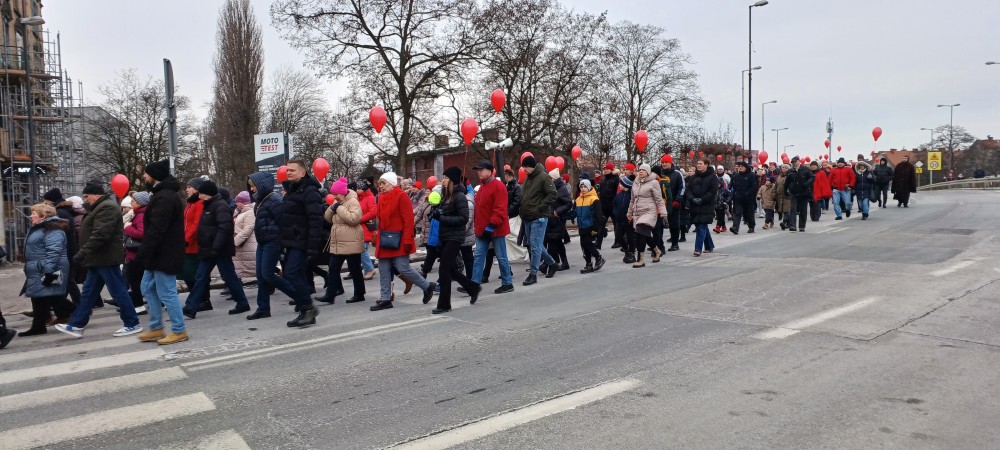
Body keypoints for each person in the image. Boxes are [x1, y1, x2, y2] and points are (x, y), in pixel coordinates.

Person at [55, 181, 142, 339]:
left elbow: (101, 234)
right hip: (98, 258)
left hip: (105, 257)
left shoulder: (107, 207)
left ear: (96, 195)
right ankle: (76, 324)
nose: (85, 199)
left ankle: (132, 322)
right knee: (89, 293)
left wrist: (83, 252)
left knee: (118, 291)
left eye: (87, 196)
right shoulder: (99, 206)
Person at [134, 160, 189, 345]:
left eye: (146, 173)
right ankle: (156, 327)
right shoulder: (161, 194)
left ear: (154, 176)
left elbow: (157, 229)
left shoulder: (164, 197)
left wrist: (143, 252)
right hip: (158, 253)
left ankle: (179, 330)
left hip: (165, 253)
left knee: (167, 292)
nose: (144, 176)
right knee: (148, 288)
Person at [181, 180, 252, 319]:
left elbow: (224, 229)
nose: (200, 196)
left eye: (202, 193)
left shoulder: (220, 206)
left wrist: (215, 248)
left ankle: (242, 303)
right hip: (209, 250)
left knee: (229, 277)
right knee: (201, 277)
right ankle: (190, 307)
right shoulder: (208, 205)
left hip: (219, 251)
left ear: (208, 193)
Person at [372, 172, 436, 311]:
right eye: (380, 183)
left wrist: (408, 240)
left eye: (384, 183)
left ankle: (427, 286)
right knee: (383, 268)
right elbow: (380, 219)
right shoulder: (381, 197)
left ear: (392, 183)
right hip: (385, 239)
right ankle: (385, 299)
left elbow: (408, 220)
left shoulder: (401, 196)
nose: (381, 186)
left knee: (402, 267)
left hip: (400, 238)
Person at [279, 160, 325, 327]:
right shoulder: (292, 190)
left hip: (302, 241)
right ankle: (306, 310)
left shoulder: (310, 191)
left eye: (292, 170)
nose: (288, 173)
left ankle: (308, 307)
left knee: (291, 274)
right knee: (295, 275)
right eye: (287, 170)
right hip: (291, 241)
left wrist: (312, 246)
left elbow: (316, 220)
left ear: (302, 173)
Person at [246, 172, 298, 320]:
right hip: (262, 242)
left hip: (273, 241)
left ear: (261, 185)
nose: (252, 189)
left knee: (267, 274)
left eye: (253, 186)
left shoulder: (274, 200)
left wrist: (283, 243)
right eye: (250, 187)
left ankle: (300, 297)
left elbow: (284, 222)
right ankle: (263, 308)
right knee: (261, 276)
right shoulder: (261, 201)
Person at [19, 204, 74, 336]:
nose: (31, 216)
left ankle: (80, 311)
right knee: (40, 297)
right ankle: (38, 326)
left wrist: (48, 270)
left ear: (43, 215)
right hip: (39, 267)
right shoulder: (41, 228)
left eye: (34, 213)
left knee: (53, 297)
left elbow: (54, 251)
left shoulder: (52, 229)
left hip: (48, 268)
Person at [431, 167, 481, 314]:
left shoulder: (460, 196)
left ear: (452, 179)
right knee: (451, 270)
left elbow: (463, 218)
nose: (443, 180)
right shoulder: (447, 195)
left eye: (446, 178)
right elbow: (445, 213)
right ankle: (473, 288)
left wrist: (442, 218)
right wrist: (436, 212)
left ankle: (444, 304)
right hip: (445, 236)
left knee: (444, 270)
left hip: (455, 237)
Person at [316, 177, 367, 304]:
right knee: (333, 269)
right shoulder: (337, 202)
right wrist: (332, 208)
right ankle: (330, 295)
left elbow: (354, 219)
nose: (334, 196)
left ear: (343, 193)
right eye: (333, 194)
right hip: (338, 241)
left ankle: (359, 294)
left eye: (336, 194)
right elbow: (327, 218)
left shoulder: (353, 202)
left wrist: (339, 208)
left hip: (351, 241)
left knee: (354, 269)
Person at [518, 156, 558, 285]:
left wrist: (540, 207)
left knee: (535, 246)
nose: (524, 169)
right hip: (527, 216)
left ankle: (533, 274)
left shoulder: (543, 177)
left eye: (526, 167)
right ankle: (552, 263)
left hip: (539, 217)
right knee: (534, 244)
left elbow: (553, 194)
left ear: (532, 166)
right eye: (523, 167)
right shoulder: (527, 179)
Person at [45, 188, 82, 306]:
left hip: (66, 252)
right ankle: (56, 305)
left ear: (52, 201)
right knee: (62, 280)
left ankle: (78, 306)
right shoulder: (64, 211)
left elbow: (58, 235)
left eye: (46, 201)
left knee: (67, 280)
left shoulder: (60, 213)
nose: (45, 204)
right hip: (68, 251)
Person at [628, 164, 667, 267]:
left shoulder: (654, 183)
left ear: (648, 172)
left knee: (641, 231)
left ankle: (641, 259)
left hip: (649, 211)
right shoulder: (635, 182)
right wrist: (629, 212)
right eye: (639, 170)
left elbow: (659, 199)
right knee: (642, 233)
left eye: (643, 170)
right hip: (638, 212)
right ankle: (657, 250)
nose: (641, 171)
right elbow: (632, 199)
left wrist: (664, 214)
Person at [123, 192, 150, 313]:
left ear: (140, 203)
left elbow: (142, 233)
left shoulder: (140, 215)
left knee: (134, 281)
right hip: (137, 253)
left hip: (136, 253)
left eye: (133, 201)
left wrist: (128, 228)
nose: (131, 203)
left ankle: (138, 306)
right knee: (136, 280)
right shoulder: (138, 213)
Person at [686, 159, 719, 257]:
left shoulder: (713, 177)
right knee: (701, 225)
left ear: (706, 165)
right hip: (695, 205)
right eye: (698, 164)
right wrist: (692, 198)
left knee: (701, 225)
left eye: (700, 164)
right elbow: (688, 189)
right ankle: (709, 246)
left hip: (706, 205)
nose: (698, 165)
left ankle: (698, 249)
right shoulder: (693, 177)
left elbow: (713, 191)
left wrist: (702, 199)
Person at [542, 168, 572, 272]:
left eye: (550, 178)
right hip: (551, 219)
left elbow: (568, 203)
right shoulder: (551, 188)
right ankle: (563, 262)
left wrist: (557, 211)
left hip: (558, 219)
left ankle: (548, 264)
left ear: (554, 179)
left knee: (553, 241)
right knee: (557, 242)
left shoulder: (561, 189)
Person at [575, 179, 606, 273]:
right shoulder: (578, 199)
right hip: (581, 226)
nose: (583, 189)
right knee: (583, 245)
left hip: (590, 226)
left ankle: (598, 257)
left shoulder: (594, 199)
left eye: (585, 187)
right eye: (581, 187)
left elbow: (598, 215)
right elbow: (574, 212)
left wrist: (595, 228)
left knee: (588, 243)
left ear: (589, 187)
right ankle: (588, 264)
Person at [354, 180, 378, 280]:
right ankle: (368, 269)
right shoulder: (358, 198)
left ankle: (369, 269)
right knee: (362, 250)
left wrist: (360, 219)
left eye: (359, 188)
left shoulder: (370, 198)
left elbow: (373, 212)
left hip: (366, 227)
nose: (356, 190)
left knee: (362, 250)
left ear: (364, 189)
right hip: (359, 227)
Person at [660, 155, 685, 252]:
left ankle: (675, 243)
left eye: (666, 162)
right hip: (661, 204)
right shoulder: (660, 173)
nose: (664, 164)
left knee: (674, 224)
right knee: (659, 224)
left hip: (674, 203)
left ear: (671, 163)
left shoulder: (677, 174)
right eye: (662, 162)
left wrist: (677, 200)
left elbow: (682, 187)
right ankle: (659, 244)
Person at [232, 191, 257, 284]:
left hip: (246, 246)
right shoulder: (239, 212)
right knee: (237, 271)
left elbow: (247, 229)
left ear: (244, 202)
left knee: (255, 269)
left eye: (238, 201)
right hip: (240, 247)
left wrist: (234, 242)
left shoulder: (250, 213)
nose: (236, 203)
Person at [784, 156, 814, 232]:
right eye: (793, 162)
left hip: (804, 193)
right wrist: (785, 190)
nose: (794, 163)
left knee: (803, 210)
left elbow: (812, 178)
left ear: (799, 161)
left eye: (795, 162)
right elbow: (787, 182)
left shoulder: (805, 169)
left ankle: (802, 226)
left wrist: (806, 184)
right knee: (793, 210)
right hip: (794, 193)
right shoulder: (790, 171)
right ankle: (792, 226)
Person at [613, 175, 636, 264]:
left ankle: (632, 253)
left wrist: (632, 216)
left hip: (628, 219)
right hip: (619, 219)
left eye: (621, 184)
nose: (619, 185)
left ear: (626, 185)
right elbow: (615, 205)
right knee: (618, 236)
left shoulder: (632, 195)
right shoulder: (619, 195)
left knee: (630, 236)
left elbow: (634, 206)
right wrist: (615, 213)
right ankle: (626, 250)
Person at [729, 161, 757, 234]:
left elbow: (754, 186)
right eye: (739, 166)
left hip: (749, 199)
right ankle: (735, 227)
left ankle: (751, 227)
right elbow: (733, 185)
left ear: (746, 167)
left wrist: (748, 193)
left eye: (742, 166)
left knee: (749, 213)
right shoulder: (736, 176)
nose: (740, 168)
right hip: (738, 198)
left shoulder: (751, 175)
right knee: (737, 213)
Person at [596, 162, 619, 249]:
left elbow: (618, 193)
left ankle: (618, 242)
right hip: (604, 207)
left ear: (611, 170)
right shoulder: (603, 180)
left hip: (613, 206)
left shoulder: (616, 179)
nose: (605, 170)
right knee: (601, 225)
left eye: (607, 169)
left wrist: (616, 204)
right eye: (604, 169)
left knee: (616, 225)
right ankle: (598, 243)